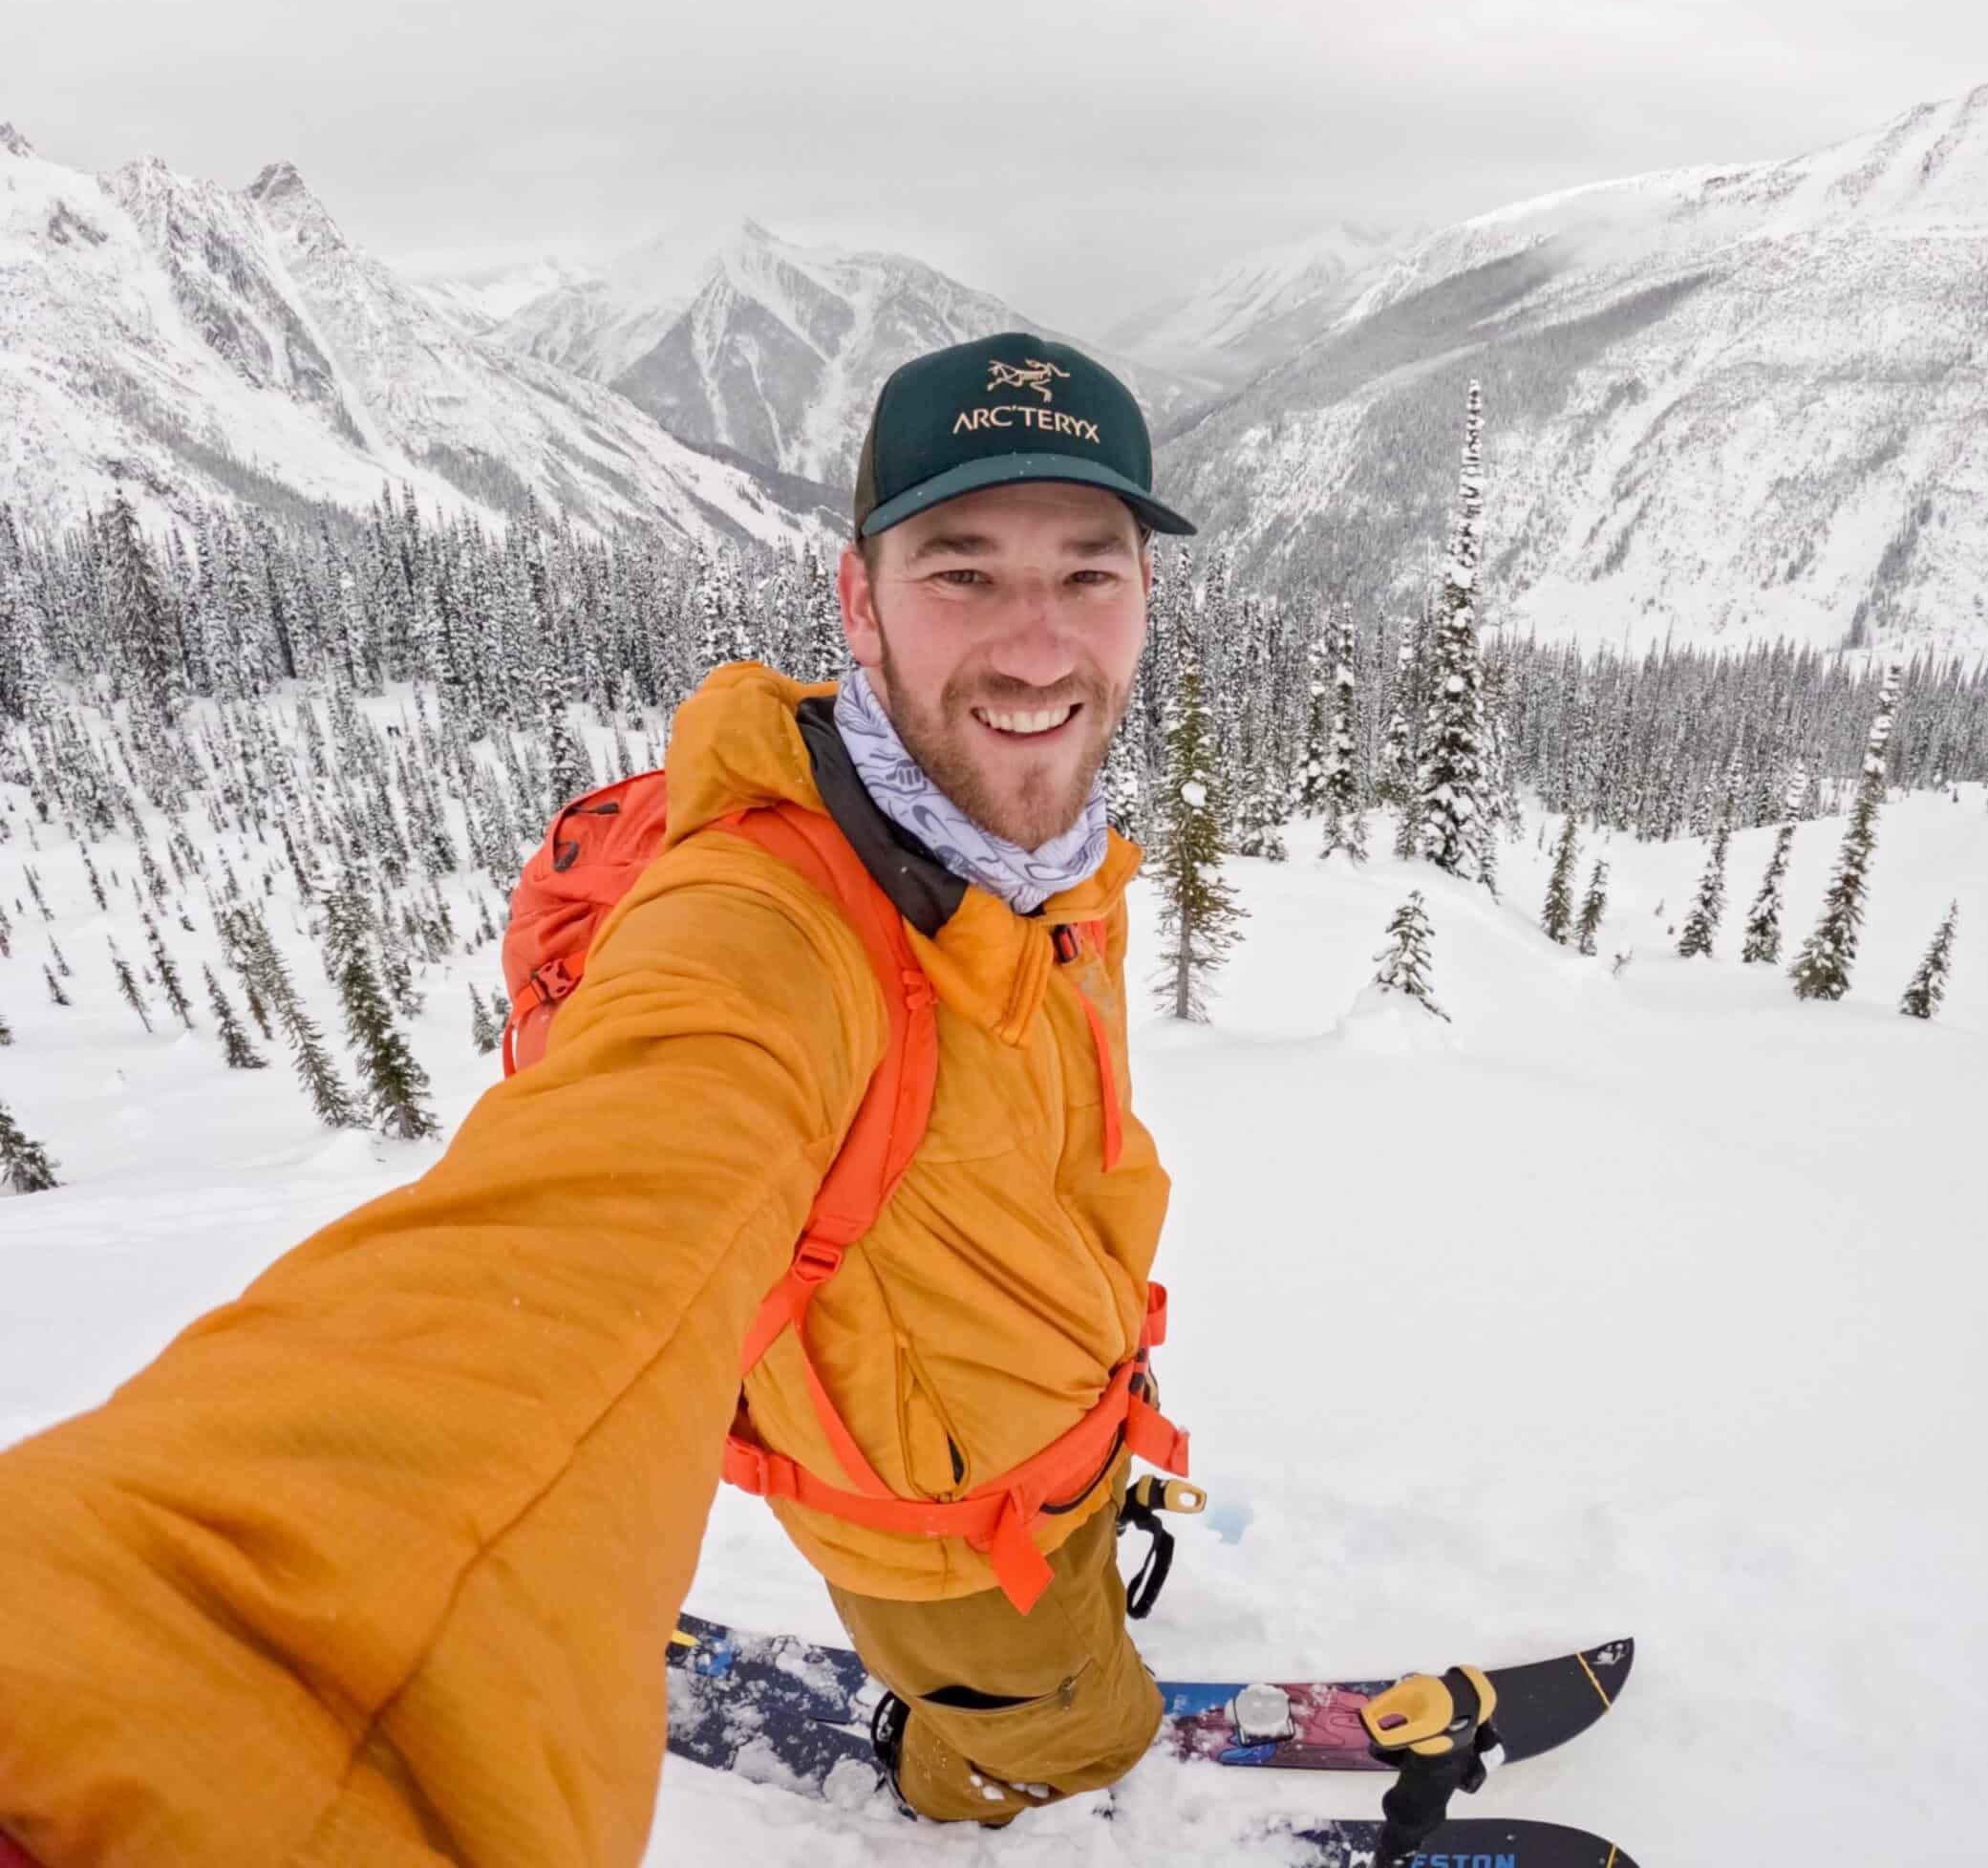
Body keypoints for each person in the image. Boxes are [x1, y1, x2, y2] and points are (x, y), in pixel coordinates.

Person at [0, 332, 1197, 1868]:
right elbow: (572, 1239)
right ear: (859, 603)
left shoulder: (1034, 855)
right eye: (963, 572)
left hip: (1060, 1445)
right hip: (950, 1533)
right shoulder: (766, 934)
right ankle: (990, 1785)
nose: (1039, 647)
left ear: (1145, 598)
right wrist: (167, 1700)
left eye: (1087, 573)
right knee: (1064, 1727)